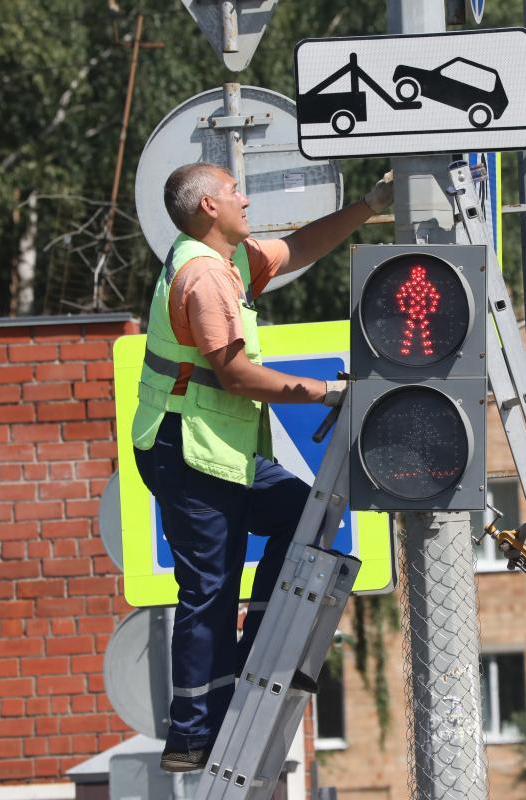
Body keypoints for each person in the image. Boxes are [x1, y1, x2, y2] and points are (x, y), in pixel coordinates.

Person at [131, 162, 393, 772]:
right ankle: (194, 736)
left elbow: (299, 247)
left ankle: (253, 659)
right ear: (206, 210)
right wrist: (327, 393)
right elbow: (235, 374)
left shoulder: (228, 258)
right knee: (209, 591)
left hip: (209, 449)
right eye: (233, 193)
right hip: (187, 449)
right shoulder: (203, 276)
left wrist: (368, 206)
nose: (245, 199)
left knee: (301, 517)